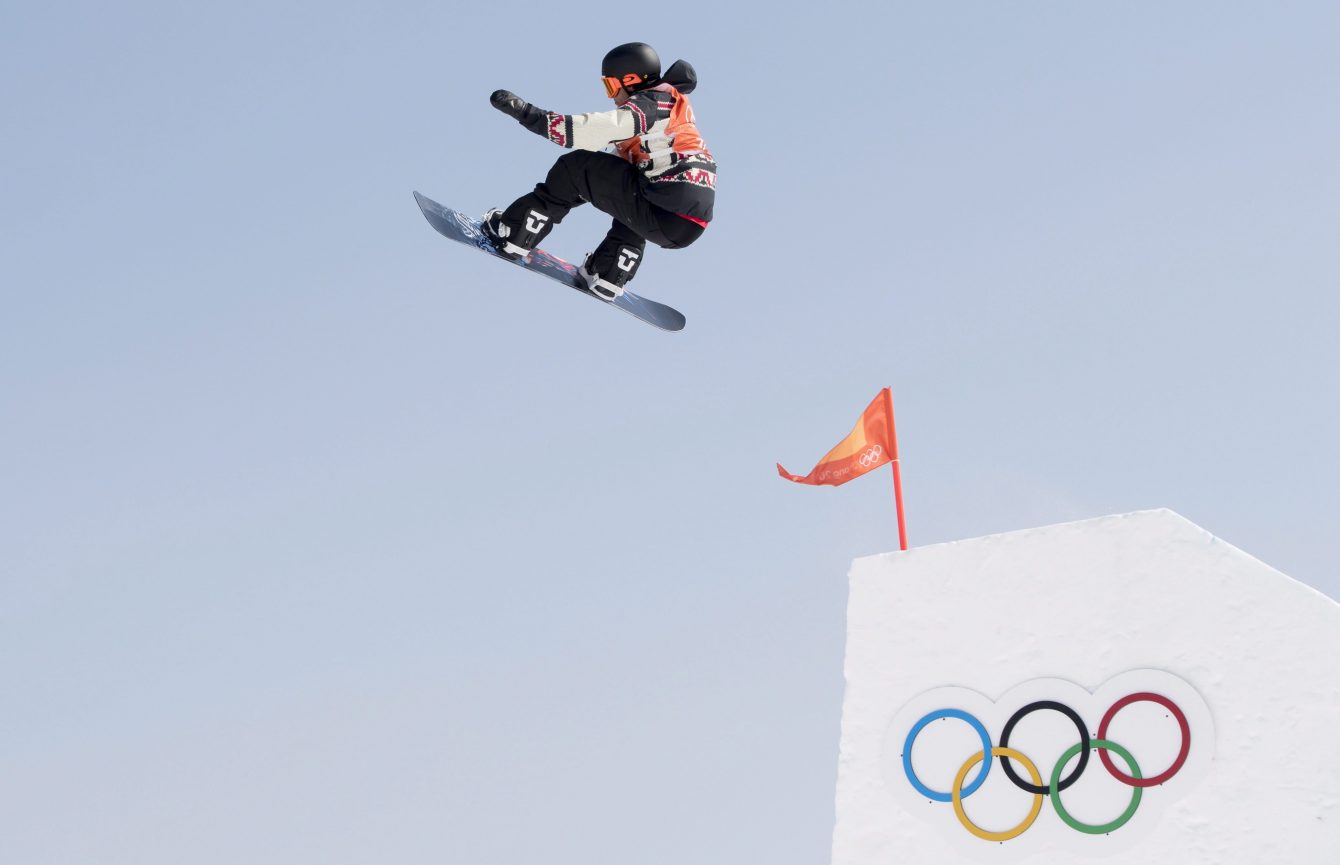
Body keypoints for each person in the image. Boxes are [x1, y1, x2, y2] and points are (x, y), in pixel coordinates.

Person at [482, 42, 716, 300]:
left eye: (611, 86)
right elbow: (607, 179)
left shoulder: (652, 103)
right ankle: (608, 273)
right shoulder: (673, 110)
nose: (612, 97)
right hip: (684, 223)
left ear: (630, 80)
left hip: (666, 204)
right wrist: (581, 190)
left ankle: (514, 231)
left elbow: (599, 129)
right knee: (629, 185)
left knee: (573, 167)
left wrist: (531, 115)